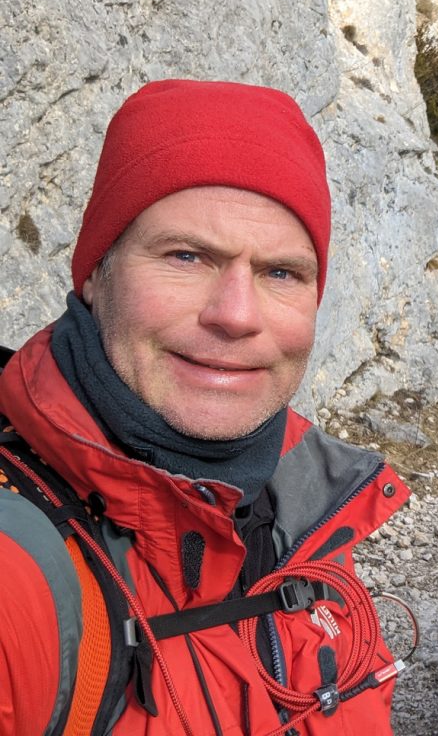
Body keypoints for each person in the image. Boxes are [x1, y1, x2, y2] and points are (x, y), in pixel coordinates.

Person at [0, 79, 410, 735]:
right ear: (94, 275)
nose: (236, 316)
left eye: (281, 272)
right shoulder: (18, 572)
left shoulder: (299, 521)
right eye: (186, 256)